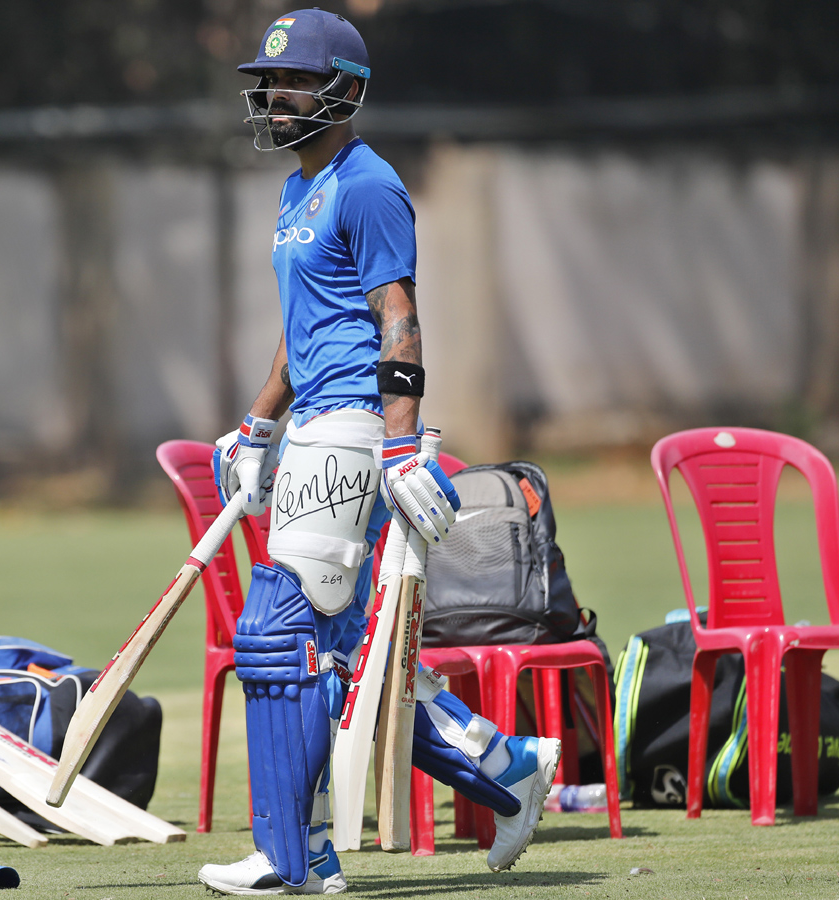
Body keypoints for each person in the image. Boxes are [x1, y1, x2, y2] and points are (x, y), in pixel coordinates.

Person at [198, 9, 560, 895]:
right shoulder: (295, 191)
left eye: (294, 82)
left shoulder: (368, 186)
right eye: (269, 82)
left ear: (345, 93)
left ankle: (291, 856)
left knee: (275, 637)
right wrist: (258, 422)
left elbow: (396, 315)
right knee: (350, 656)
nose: (275, 96)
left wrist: (401, 450)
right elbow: (303, 326)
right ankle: (506, 770)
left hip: (357, 426)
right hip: (315, 424)